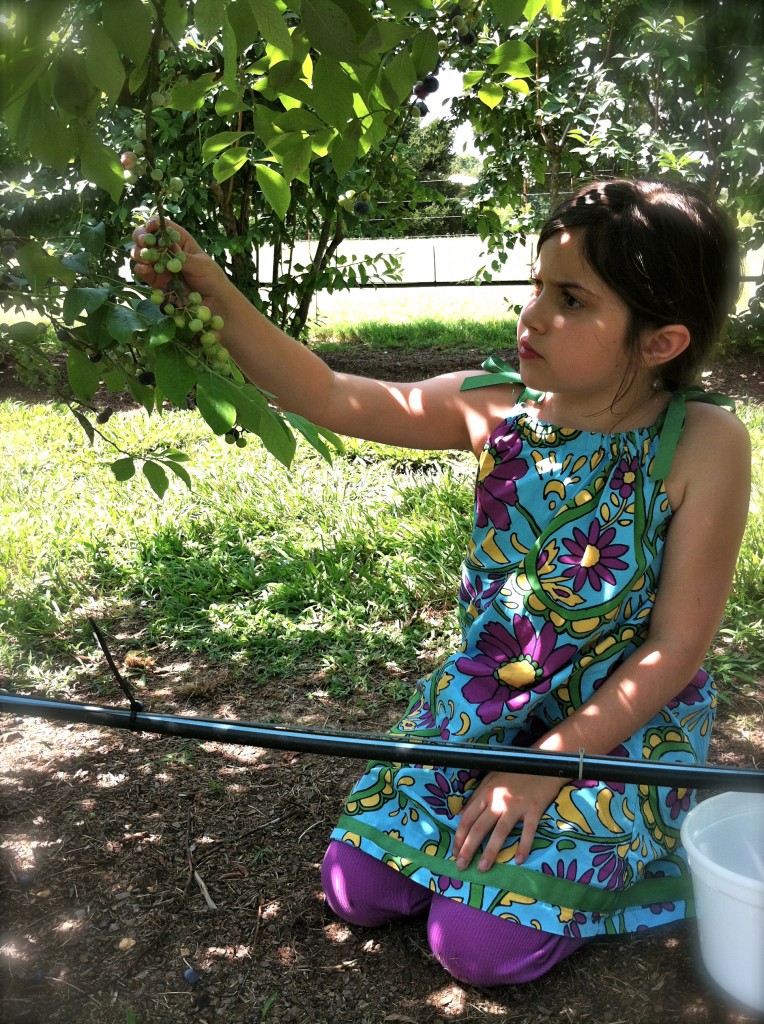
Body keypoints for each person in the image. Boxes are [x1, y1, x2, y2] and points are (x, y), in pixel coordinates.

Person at [132, 178, 751, 987]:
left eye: (571, 300)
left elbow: (675, 646)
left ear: (659, 342)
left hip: (618, 733)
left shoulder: (704, 443)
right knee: (357, 890)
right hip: (487, 703)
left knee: (478, 950)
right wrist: (212, 286)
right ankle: (485, 855)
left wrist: (549, 767)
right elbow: (328, 393)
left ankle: (580, 870)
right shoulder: (498, 407)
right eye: (537, 285)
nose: (531, 315)